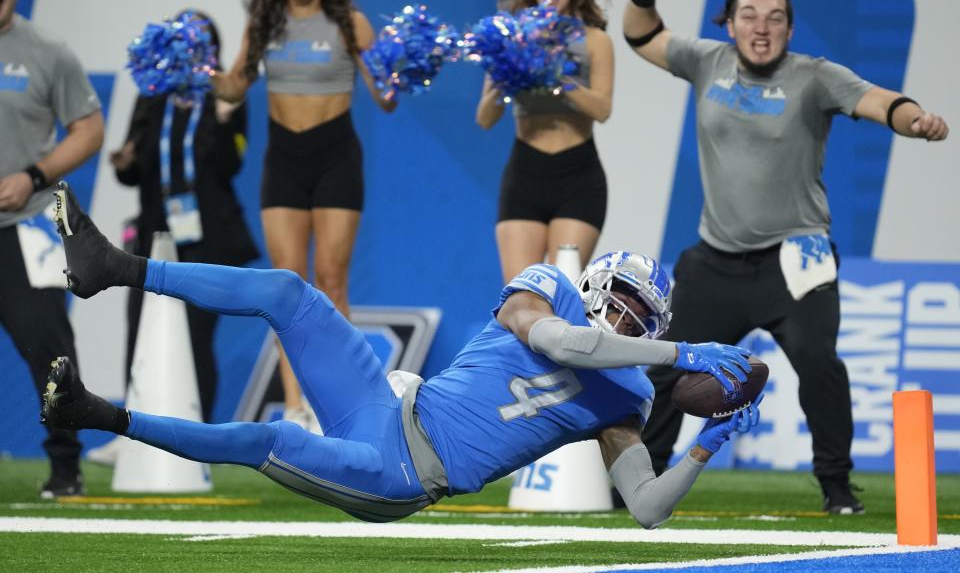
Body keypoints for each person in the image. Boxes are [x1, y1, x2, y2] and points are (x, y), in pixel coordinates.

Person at [44, 182, 760, 525]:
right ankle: (115, 266)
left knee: (264, 437)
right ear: (597, 282)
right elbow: (558, 341)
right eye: (620, 299)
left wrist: (703, 447)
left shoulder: (629, 398)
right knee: (290, 292)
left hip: (397, 473)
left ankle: (98, 414)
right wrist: (683, 350)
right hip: (384, 406)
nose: (621, 316)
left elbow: (645, 509)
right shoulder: (551, 289)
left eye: (637, 315)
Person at [621, 0, 949, 514]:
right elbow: (641, 36)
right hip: (715, 260)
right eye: (749, 15)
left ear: (791, 31)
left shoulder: (815, 76)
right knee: (665, 365)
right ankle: (637, 480)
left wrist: (914, 120)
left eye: (776, 18)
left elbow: (879, 101)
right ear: (730, 24)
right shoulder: (707, 61)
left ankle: (837, 488)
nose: (762, 26)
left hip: (798, 256)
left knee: (818, 362)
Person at [211, 0, 396, 429]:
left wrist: (402, 72)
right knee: (285, 287)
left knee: (332, 283)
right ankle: (296, 407)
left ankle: (340, 405)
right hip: (283, 163)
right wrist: (200, 69)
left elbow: (386, 98)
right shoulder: (263, 23)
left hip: (336, 158)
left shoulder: (351, 23)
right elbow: (233, 85)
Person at [109, 12, 259, 424]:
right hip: (153, 231)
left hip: (206, 235)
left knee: (195, 335)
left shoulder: (225, 97)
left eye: (198, 42)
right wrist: (124, 161)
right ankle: (134, 430)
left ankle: (196, 434)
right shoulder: (152, 94)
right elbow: (131, 170)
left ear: (211, 50)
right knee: (140, 329)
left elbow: (231, 166)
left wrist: (227, 124)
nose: (188, 49)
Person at [0, 0, 104, 497]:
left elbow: (89, 127)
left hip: (23, 227)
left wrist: (34, 177)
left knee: (50, 350)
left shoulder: (47, 51)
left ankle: (66, 468)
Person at [476, 0, 614, 283]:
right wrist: (504, 77)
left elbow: (602, 108)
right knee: (520, 297)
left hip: (578, 179)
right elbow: (485, 118)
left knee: (560, 289)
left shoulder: (595, 40)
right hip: (525, 176)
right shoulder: (510, 41)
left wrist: (557, 75)